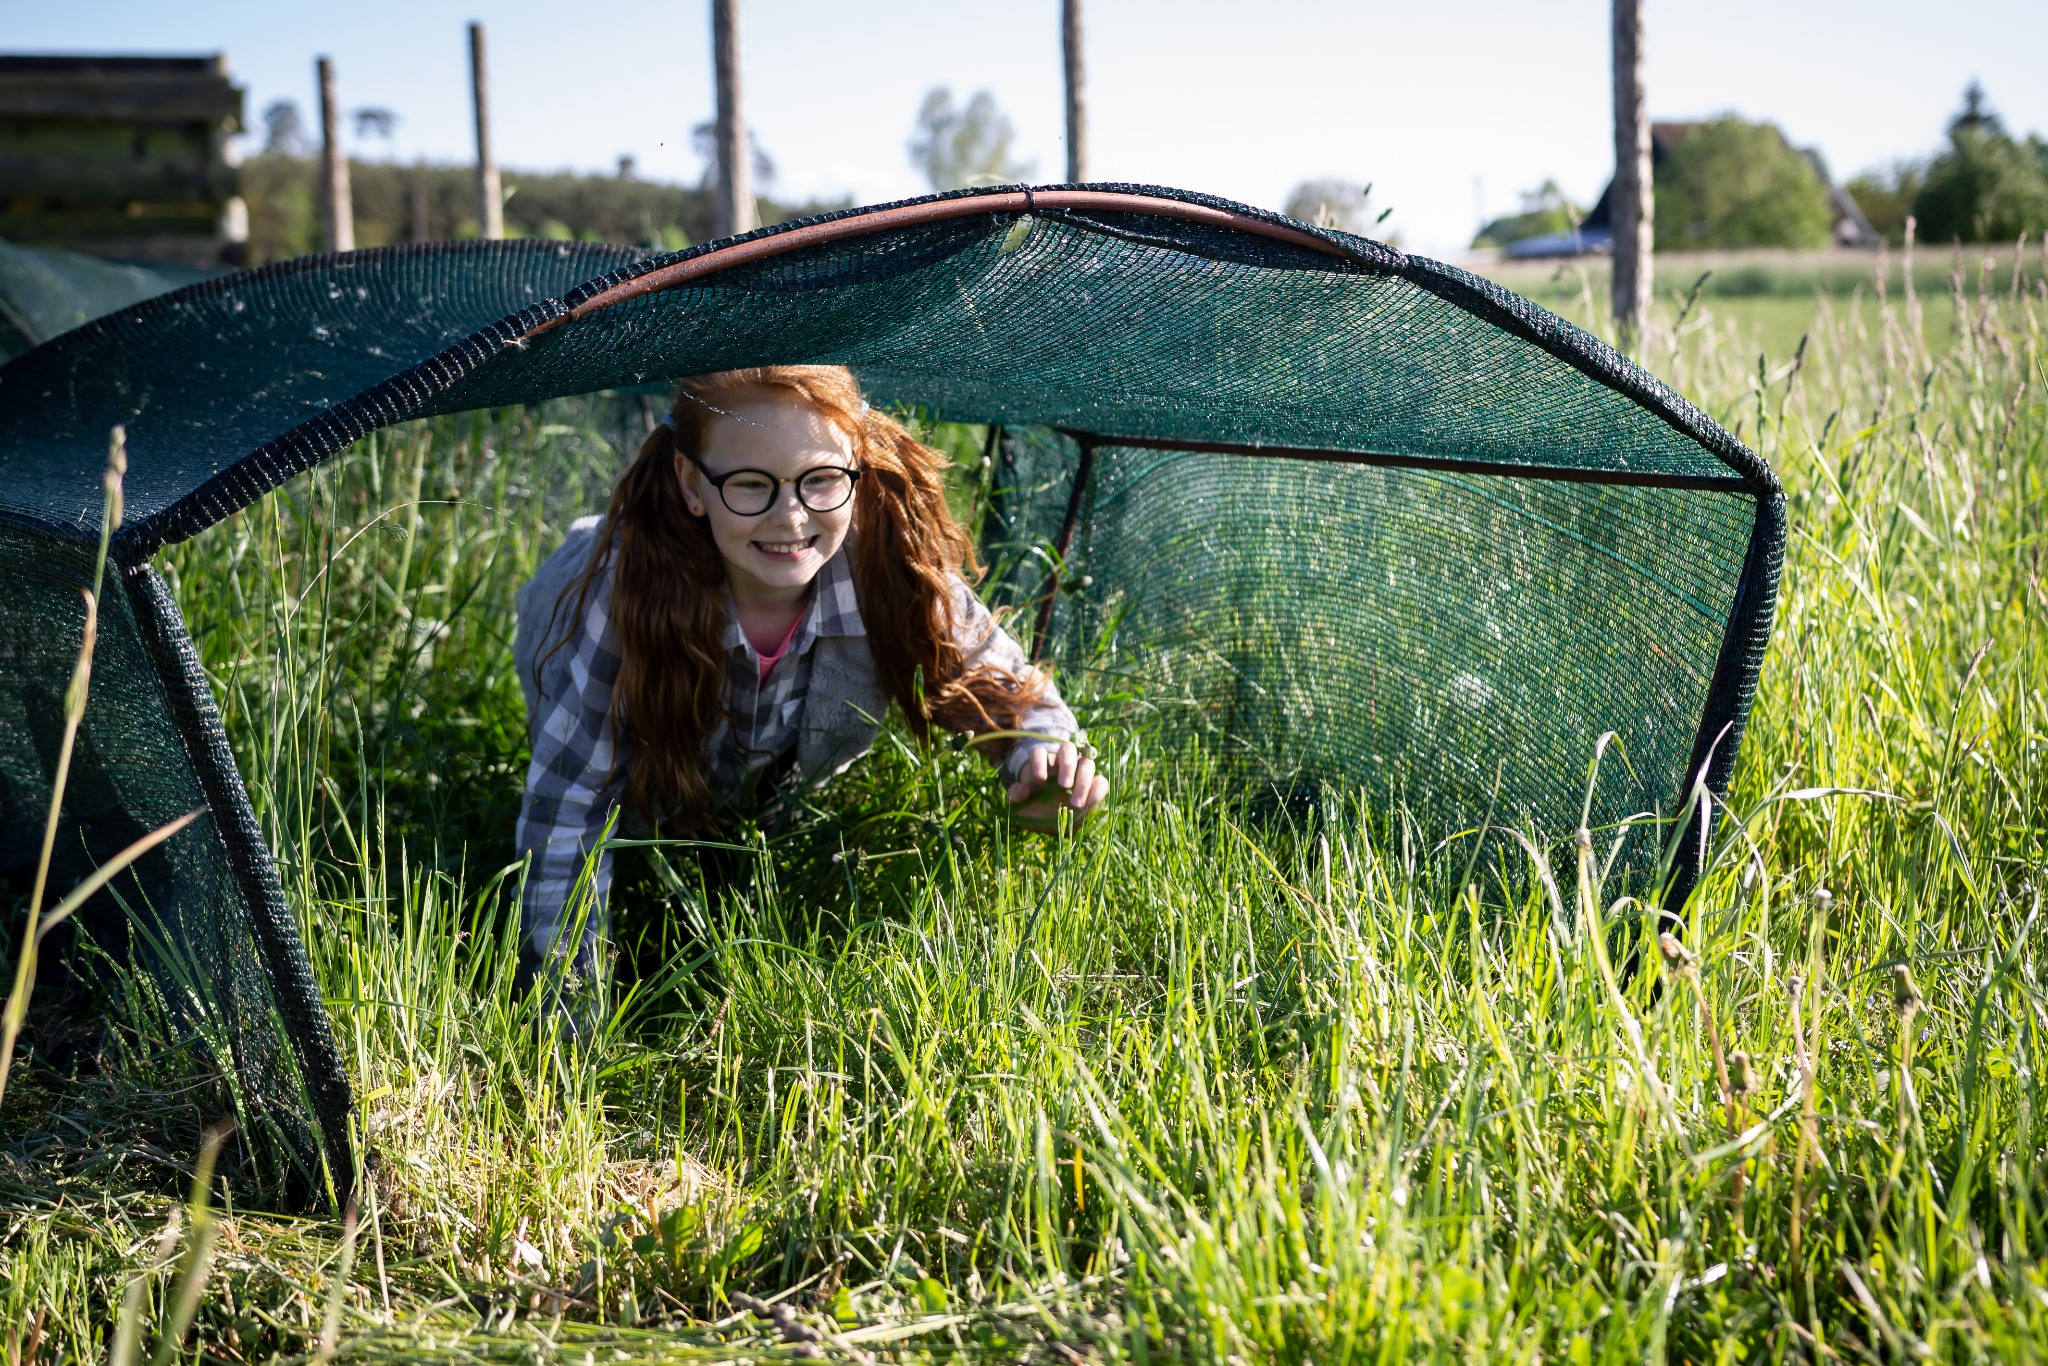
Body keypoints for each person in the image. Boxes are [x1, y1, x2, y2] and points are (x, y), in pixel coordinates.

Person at [514, 365, 1106, 978]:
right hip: (605, 713)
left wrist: (1044, 751)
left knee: (745, 830)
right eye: (749, 485)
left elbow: (993, 672)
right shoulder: (622, 594)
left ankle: (743, 821)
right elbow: (568, 808)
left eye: (820, 480)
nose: (791, 518)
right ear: (692, 484)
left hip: (759, 769)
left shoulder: (881, 561)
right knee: (620, 810)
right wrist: (569, 1005)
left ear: (856, 466)